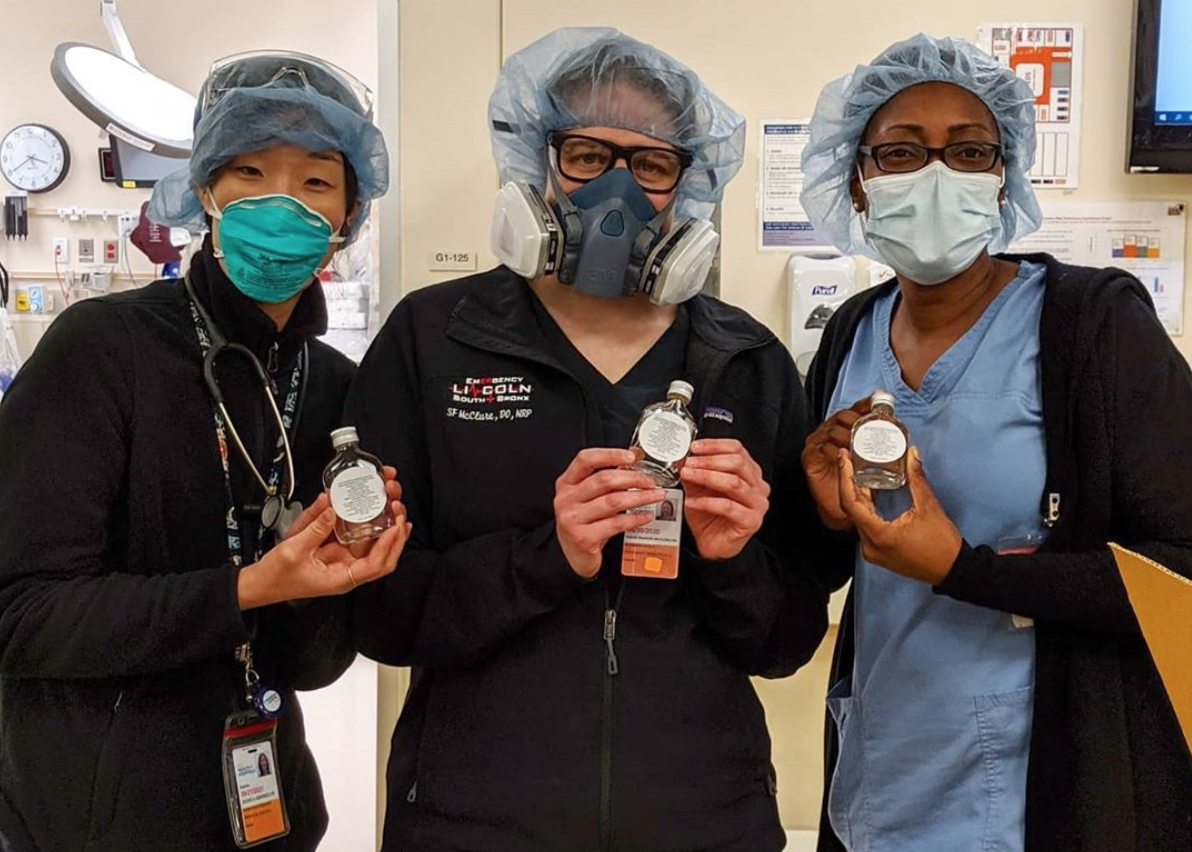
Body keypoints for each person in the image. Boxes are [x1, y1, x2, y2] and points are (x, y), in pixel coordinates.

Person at [345, 27, 830, 852]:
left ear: (689, 184)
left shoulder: (745, 363)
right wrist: (548, 557)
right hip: (471, 822)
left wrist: (732, 558)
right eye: (585, 154)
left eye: (650, 165)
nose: (617, 187)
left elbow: (785, 644)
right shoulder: (435, 338)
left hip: (703, 820)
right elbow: (376, 615)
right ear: (537, 160)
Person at [0, 51, 408, 852]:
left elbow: (311, 666)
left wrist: (318, 588)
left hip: (264, 809)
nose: (281, 201)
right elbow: (18, 615)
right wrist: (248, 587)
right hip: (88, 818)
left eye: (317, 181)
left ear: (350, 217)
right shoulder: (102, 350)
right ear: (204, 193)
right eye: (251, 170)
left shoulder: (333, 387)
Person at [799, 33, 1192, 852]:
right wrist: (825, 513)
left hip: (1039, 795)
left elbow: (1178, 575)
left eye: (969, 151)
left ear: (1004, 177)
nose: (937, 177)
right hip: (882, 775)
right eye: (901, 153)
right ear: (859, 185)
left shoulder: (1091, 325)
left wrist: (961, 569)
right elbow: (840, 564)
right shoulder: (850, 333)